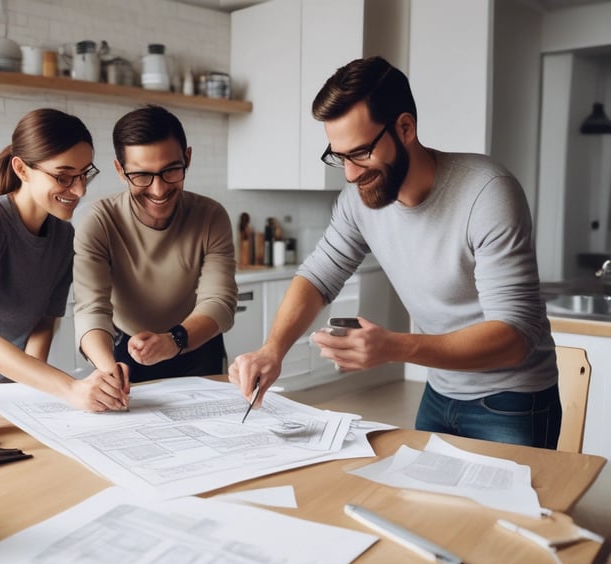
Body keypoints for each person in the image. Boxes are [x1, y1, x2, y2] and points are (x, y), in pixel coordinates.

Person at [229, 56, 562, 449]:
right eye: (340, 156)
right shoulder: (358, 200)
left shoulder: (487, 193)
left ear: (405, 128)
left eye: (361, 152)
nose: (350, 173)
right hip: (440, 391)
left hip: (514, 399)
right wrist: (273, 350)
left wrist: (394, 347)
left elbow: (515, 336)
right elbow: (317, 278)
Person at [0, 108, 127, 412]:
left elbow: (42, 326)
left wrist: (30, 392)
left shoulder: (63, 237)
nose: (80, 189)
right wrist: (70, 389)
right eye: (63, 176)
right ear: (22, 169)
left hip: (11, 397)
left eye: (84, 174)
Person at [73, 104, 237, 398]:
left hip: (195, 343)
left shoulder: (211, 216)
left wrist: (174, 340)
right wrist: (108, 369)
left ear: (187, 158)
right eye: (141, 175)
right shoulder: (98, 221)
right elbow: (91, 309)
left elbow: (220, 302)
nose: (159, 190)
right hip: (123, 352)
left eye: (171, 170)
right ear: (120, 171)